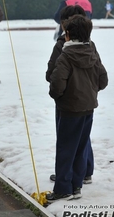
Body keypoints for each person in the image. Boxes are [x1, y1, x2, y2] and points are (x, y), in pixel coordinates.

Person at [46, 14, 108, 203]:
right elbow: (103, 79)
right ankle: (77, 185)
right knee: (81, 147)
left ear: (68, 35)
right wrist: (90, 92)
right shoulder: (92, 52)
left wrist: (58, 97)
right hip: (88, 108)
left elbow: (57, 82)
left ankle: (64, 188)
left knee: (66, 148)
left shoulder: (66, 55)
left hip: (70, 108)